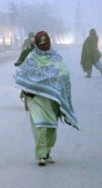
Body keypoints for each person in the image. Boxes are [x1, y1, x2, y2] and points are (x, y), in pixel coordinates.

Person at [15, 31, 79, 166]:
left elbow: (64, 73)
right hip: (36, 99)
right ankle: (40, 155)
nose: (44, 46)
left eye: (46, 43)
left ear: (49, 42)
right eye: (41, 43)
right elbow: (24, 74)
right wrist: (29, 90)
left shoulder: (56, 58)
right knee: (40, 127)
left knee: (51, 127)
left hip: (52, 100)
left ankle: (47, 152)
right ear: (37, 44)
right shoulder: (31, 57)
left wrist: (56, 81)